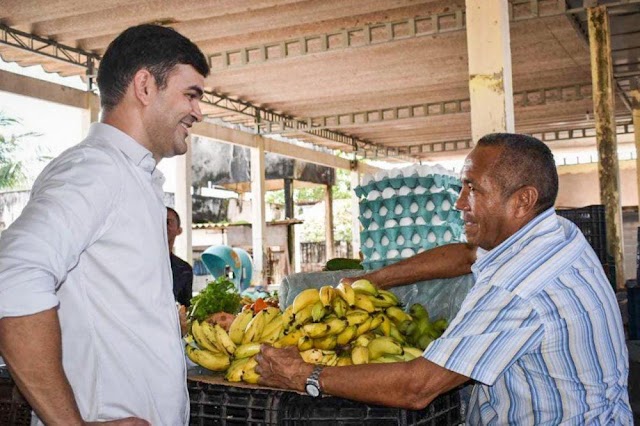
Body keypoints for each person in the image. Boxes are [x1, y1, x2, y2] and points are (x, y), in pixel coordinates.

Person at [256, 133, 632, 424]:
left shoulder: (516, 287)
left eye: (474, 189)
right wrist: (371, 281)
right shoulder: (553, 232)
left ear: (522, 200)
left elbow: (417, 387)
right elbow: (466, 256)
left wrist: (304, 374)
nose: (459, 203)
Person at [0, 25, 209, 425]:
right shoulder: (96, 169)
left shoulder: (133, 177)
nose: (198, 112)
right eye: (191, 95)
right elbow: (13, 274)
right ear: (145, 86)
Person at [167, 206, 193, 308]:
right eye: (157, 221)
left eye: (168, 222)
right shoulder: (138, 263)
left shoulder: (184, 270)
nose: (162, 226)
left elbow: (185, 307)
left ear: (179, 230)